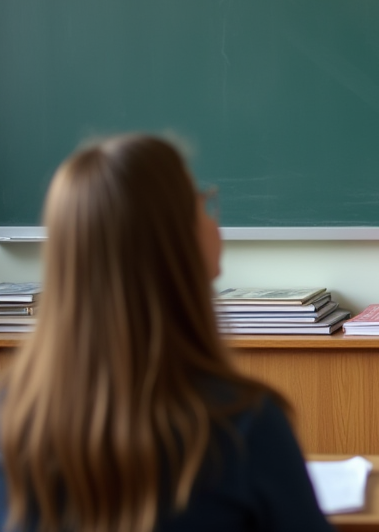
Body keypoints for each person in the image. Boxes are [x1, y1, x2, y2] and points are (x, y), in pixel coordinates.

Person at [0, 134, 334, 532]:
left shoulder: (13, 417)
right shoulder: (242, 425)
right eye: (202, 203)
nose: (212, 219)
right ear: (177, 240)